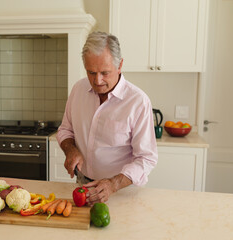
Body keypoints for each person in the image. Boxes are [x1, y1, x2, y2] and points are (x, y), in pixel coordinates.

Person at [56, 31, 158, 205]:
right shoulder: (78, 90)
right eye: (91, 72)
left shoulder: (138, 101)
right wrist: (70, 150)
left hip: (122, 190)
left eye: (105, 72)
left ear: (120, 66)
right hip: (83, 186)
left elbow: (146, 158)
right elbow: (65, 130)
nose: (98, 81)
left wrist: (113, 184)